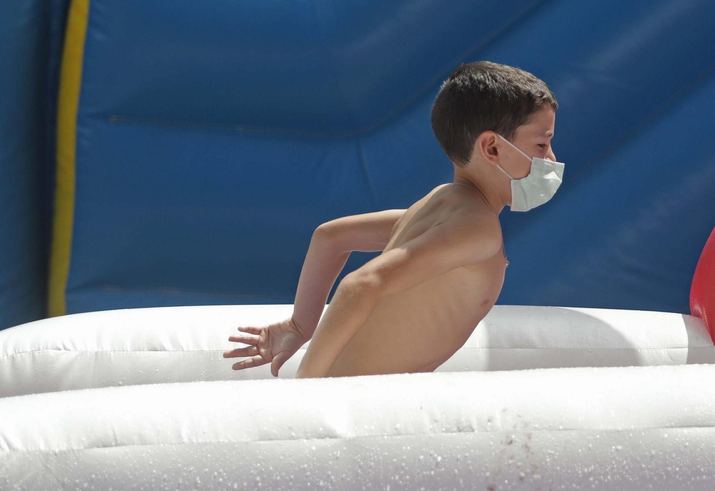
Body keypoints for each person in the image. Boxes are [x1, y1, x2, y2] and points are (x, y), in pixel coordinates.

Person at [225, 62, 561, 378]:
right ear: (491, 148)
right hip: (356, 406)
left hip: (351, 394)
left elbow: (330, 237)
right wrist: (307, 390)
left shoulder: (439, 202)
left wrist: (300, 326)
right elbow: (361, 284)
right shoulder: (477, 228)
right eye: (542, 144)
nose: (551, 160)